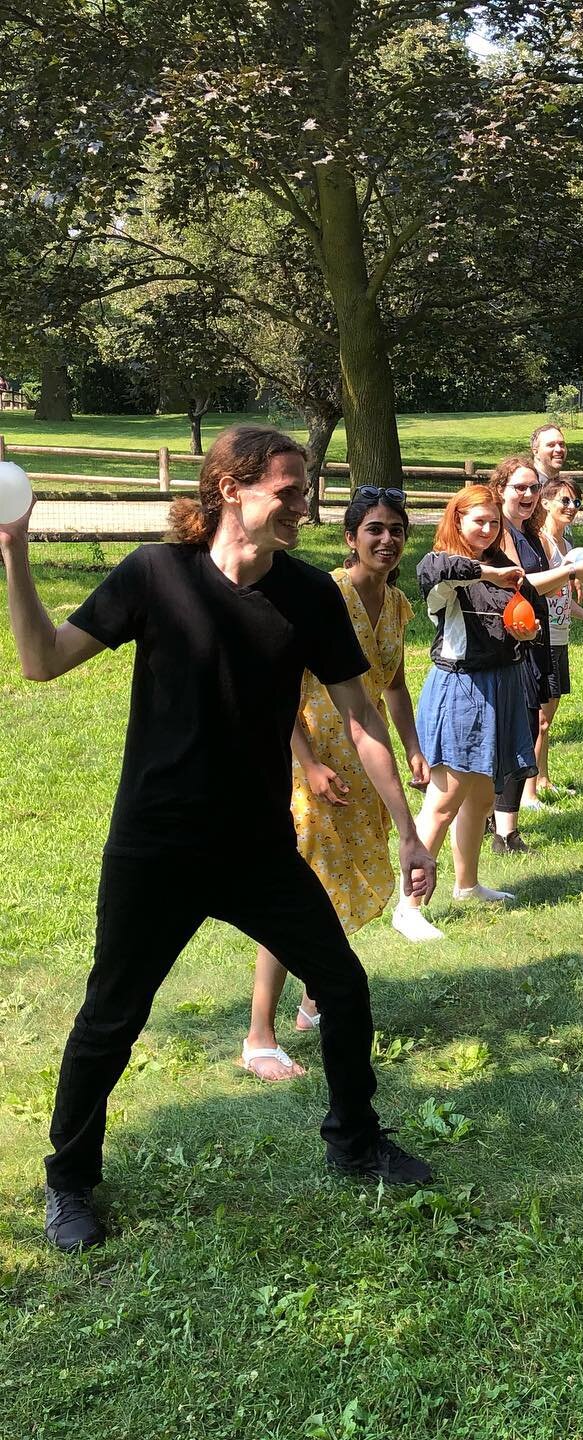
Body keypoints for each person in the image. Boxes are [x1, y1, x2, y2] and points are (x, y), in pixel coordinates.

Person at [0, 424, 438, 1253]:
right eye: (287, 491)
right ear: (230, 490)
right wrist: (15, 556)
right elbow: (40, 659)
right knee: (111, 1019)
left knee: (342, 987)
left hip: (256, 849)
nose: (301, 508)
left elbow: (361, 713)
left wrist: (411, 833)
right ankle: (71, 1182)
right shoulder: (153, 575)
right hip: (156, 847)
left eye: (305, 492)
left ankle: (353, 1139)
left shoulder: (310, 595)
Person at [240, 487, 428, 1079]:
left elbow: (391, 686)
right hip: (312, 761)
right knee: (298, 891)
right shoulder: (324, 595)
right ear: (350, 538)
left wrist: (414, 747)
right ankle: (259, 1034)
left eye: (396, 529)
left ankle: (312, 1003)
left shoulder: (397, 605)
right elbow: (279, 683)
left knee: (340, 879)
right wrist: (309, 763)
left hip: (364, 763)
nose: (386, 539)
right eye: (373, 529)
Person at [390, 481, 542, 941]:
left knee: (479, 796)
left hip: (500, 686)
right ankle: (408, 905)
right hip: (460, 689)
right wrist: (487, 574)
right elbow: (434, 569)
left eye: (495, 522)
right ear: (457, 521)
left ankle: (467, 884)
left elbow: (523, 602)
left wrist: (526, 625)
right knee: (444, 800)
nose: (489, 528)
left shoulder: (501, 565)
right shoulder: (444, 572)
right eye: (479, 520)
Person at [451, 458, 583, 863]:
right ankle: (489, 823)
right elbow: (521, 582)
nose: (529, 496)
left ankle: (503, 829)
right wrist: (569, 572)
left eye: (534, 488)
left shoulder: (529, 533)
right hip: (507, 645)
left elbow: (536, 588)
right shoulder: (499, 536)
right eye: (520, 488)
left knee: (521, 730)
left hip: (534, 638)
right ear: (500, 489)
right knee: (507, 732)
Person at [524, 475, 583, 800]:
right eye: (565, 500)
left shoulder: (568, 546)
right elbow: (536, 589)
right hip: (540, 638)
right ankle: (528, 794)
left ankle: (543, 780)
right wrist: (570, 573)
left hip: (560, 637)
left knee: (546, 721)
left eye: (576, 502)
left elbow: (563, 597)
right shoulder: (538, 542)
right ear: (546, 502)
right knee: (537, 720)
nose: (572, 507)